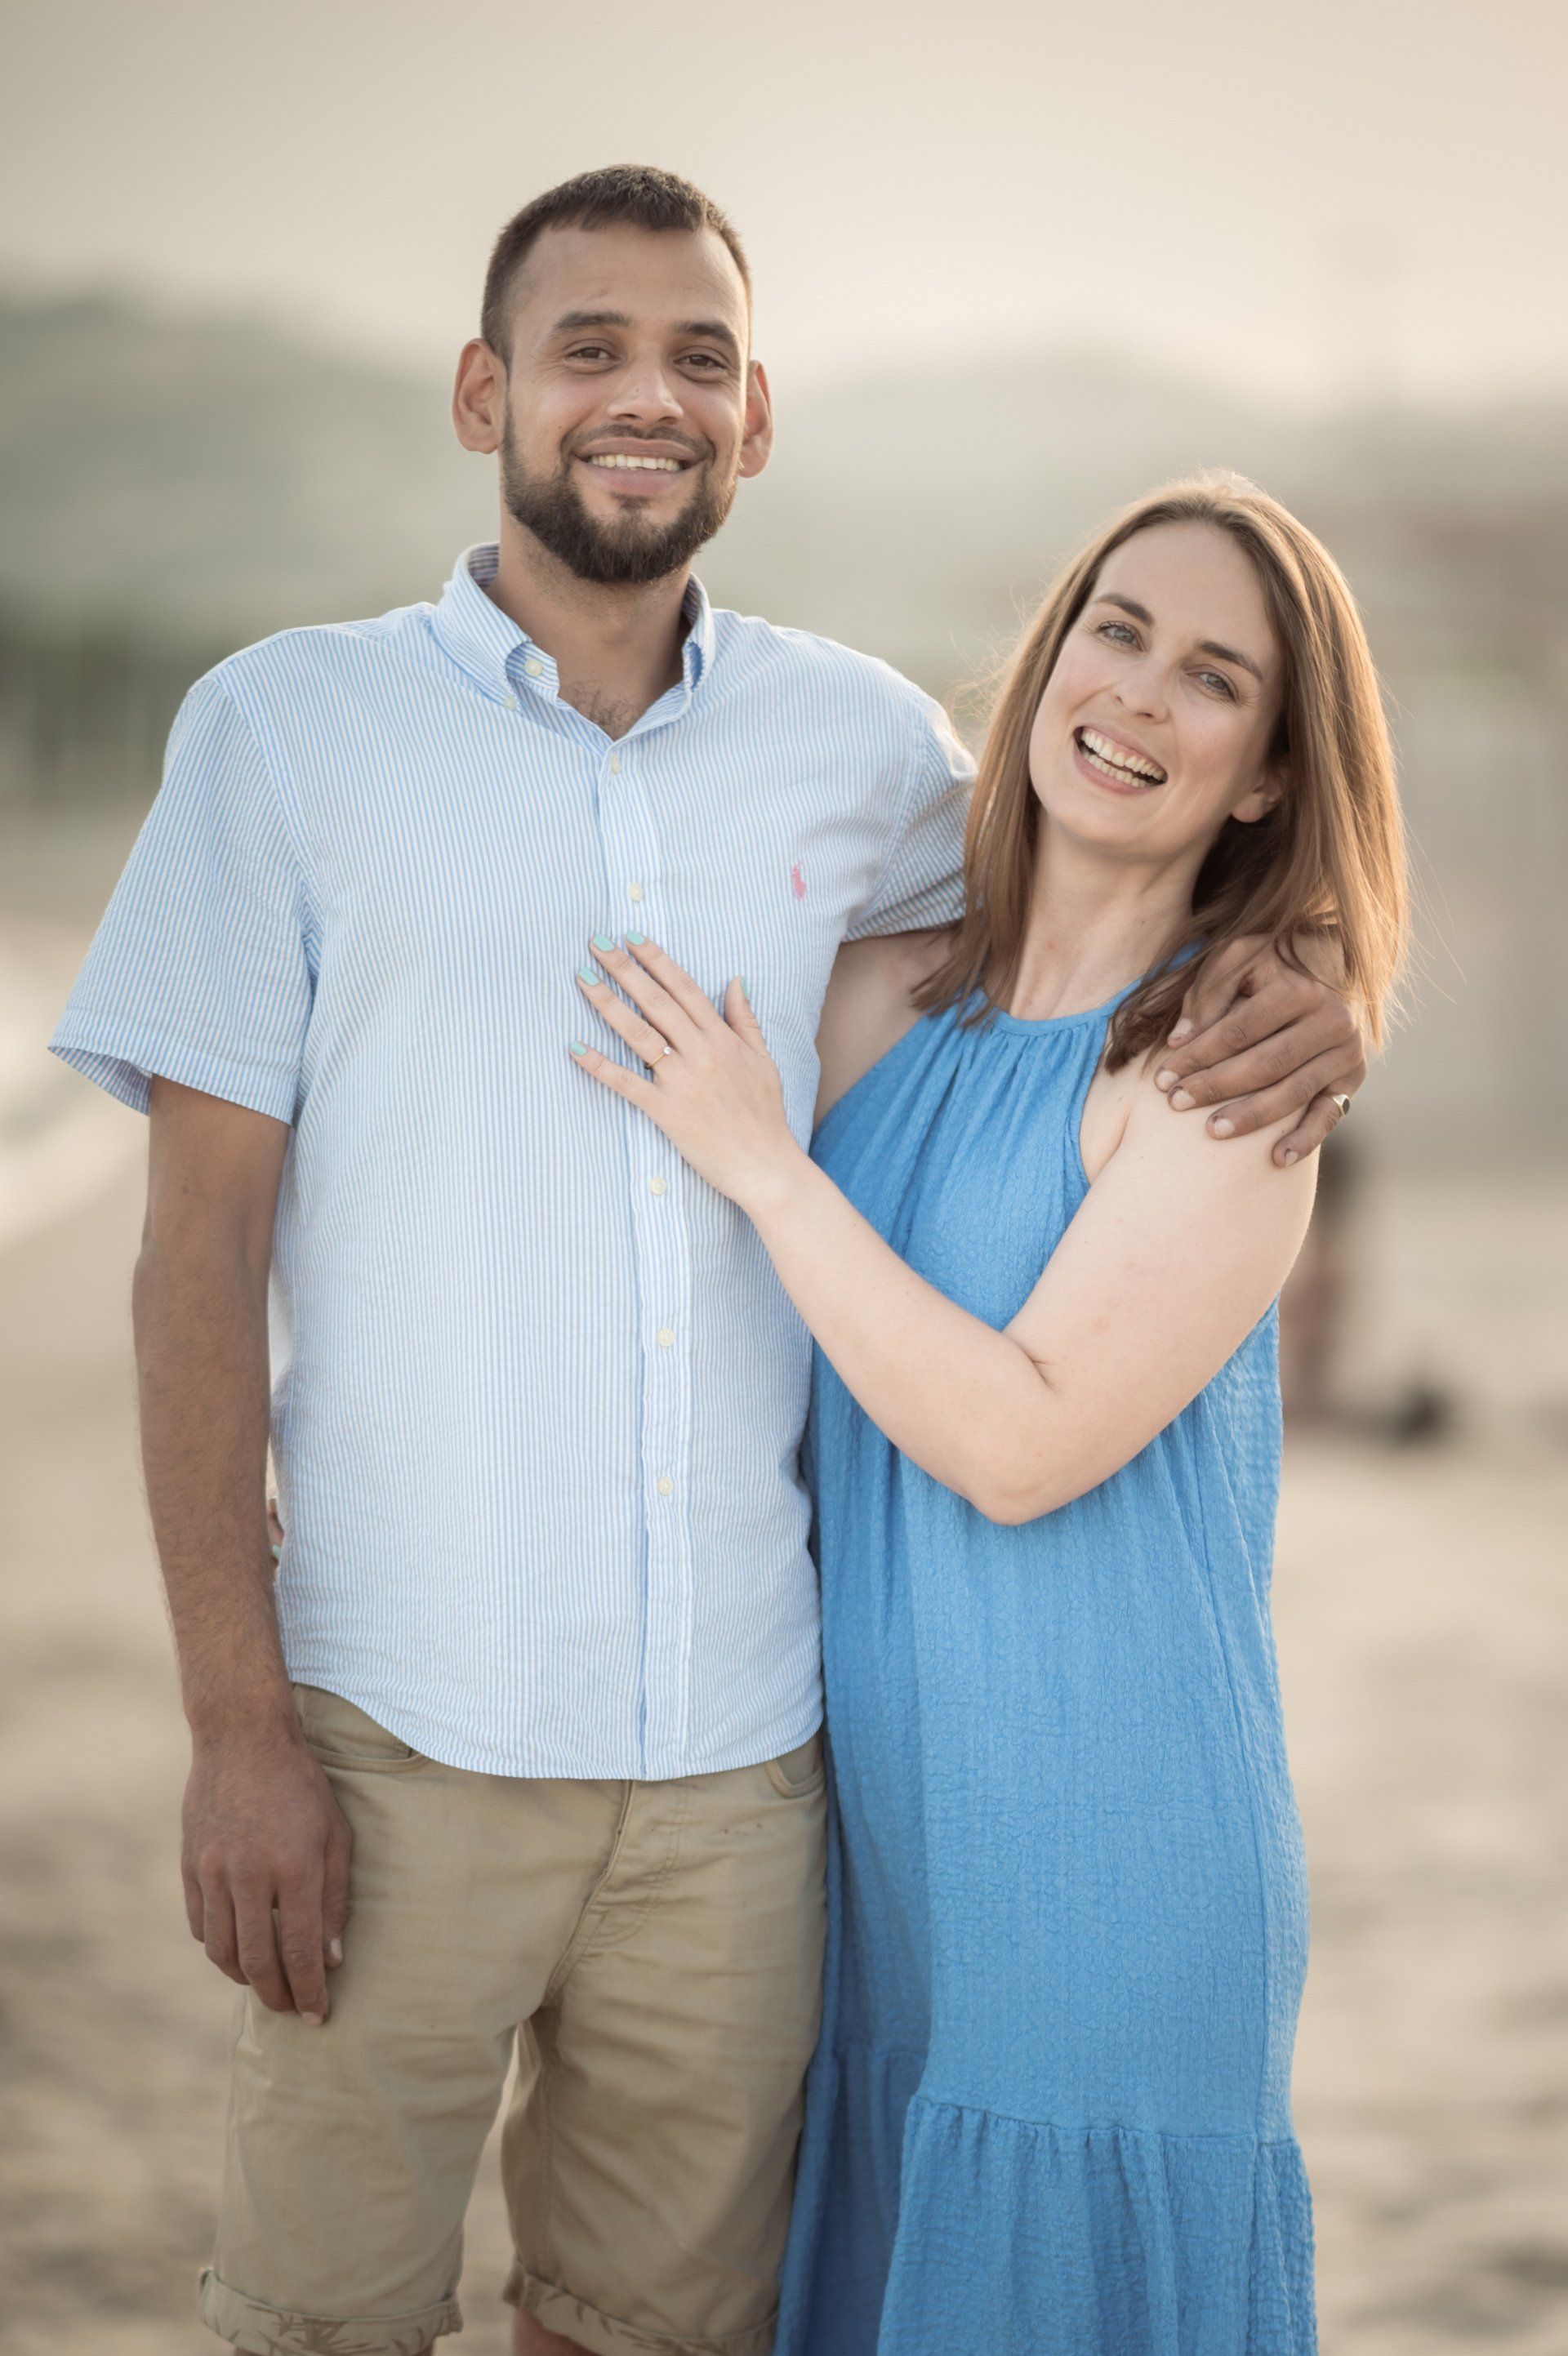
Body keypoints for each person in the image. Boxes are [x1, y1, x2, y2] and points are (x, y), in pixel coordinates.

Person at [48, 158, 1365, 2356]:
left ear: (759, 422)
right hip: (405, 1718)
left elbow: (1112, 910)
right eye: (589, 349)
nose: (643, 397)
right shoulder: (284, 729)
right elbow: (195, 1251)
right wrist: (231, 1716)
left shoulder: (863, 753)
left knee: (660, 2325)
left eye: (698, 360)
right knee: (312, 2316)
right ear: (486, 389)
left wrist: (1322, 978)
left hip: (755, 1766)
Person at [565, 475, 1405, 2354]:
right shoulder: (877, 1004)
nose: (1138, 696)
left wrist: (772, 1175)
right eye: (1117, 632)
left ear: (1268, 773)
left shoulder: (1222, 1075)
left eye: (1215, 680)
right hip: (891, 1854)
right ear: (1049, 660)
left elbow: (1022, 1445)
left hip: (1110, 1853)